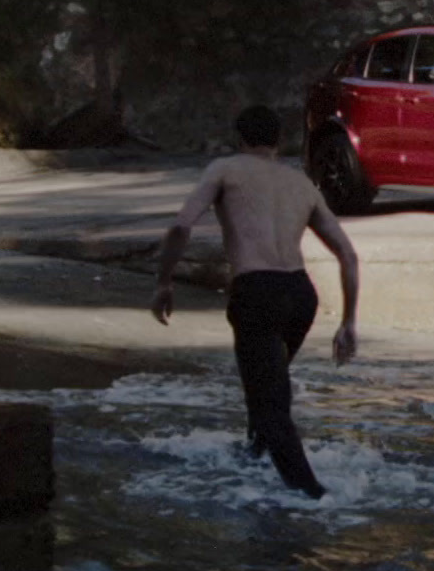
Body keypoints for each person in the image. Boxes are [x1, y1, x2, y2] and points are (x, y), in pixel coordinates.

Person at [151, 105, 360, 500]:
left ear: (240, 139)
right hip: (301, 296)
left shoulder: (225, 169)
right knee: (269, 384)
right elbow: (348, 255)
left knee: (270, 405)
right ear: (278, 142)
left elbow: (181, 225)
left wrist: (164, 282)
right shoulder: (300, 182)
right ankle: (255, 456)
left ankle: (314, 497)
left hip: (256, 291)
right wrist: (348, 322)